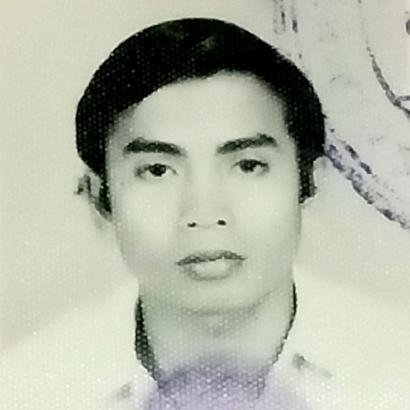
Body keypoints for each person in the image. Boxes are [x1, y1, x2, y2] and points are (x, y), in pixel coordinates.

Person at [75, 17, 327, 409]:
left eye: (248, 166)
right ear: (99, 198)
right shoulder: (24, 388)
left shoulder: (398, 365)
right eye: (157, 170)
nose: (205, 214)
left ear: (309, 181)